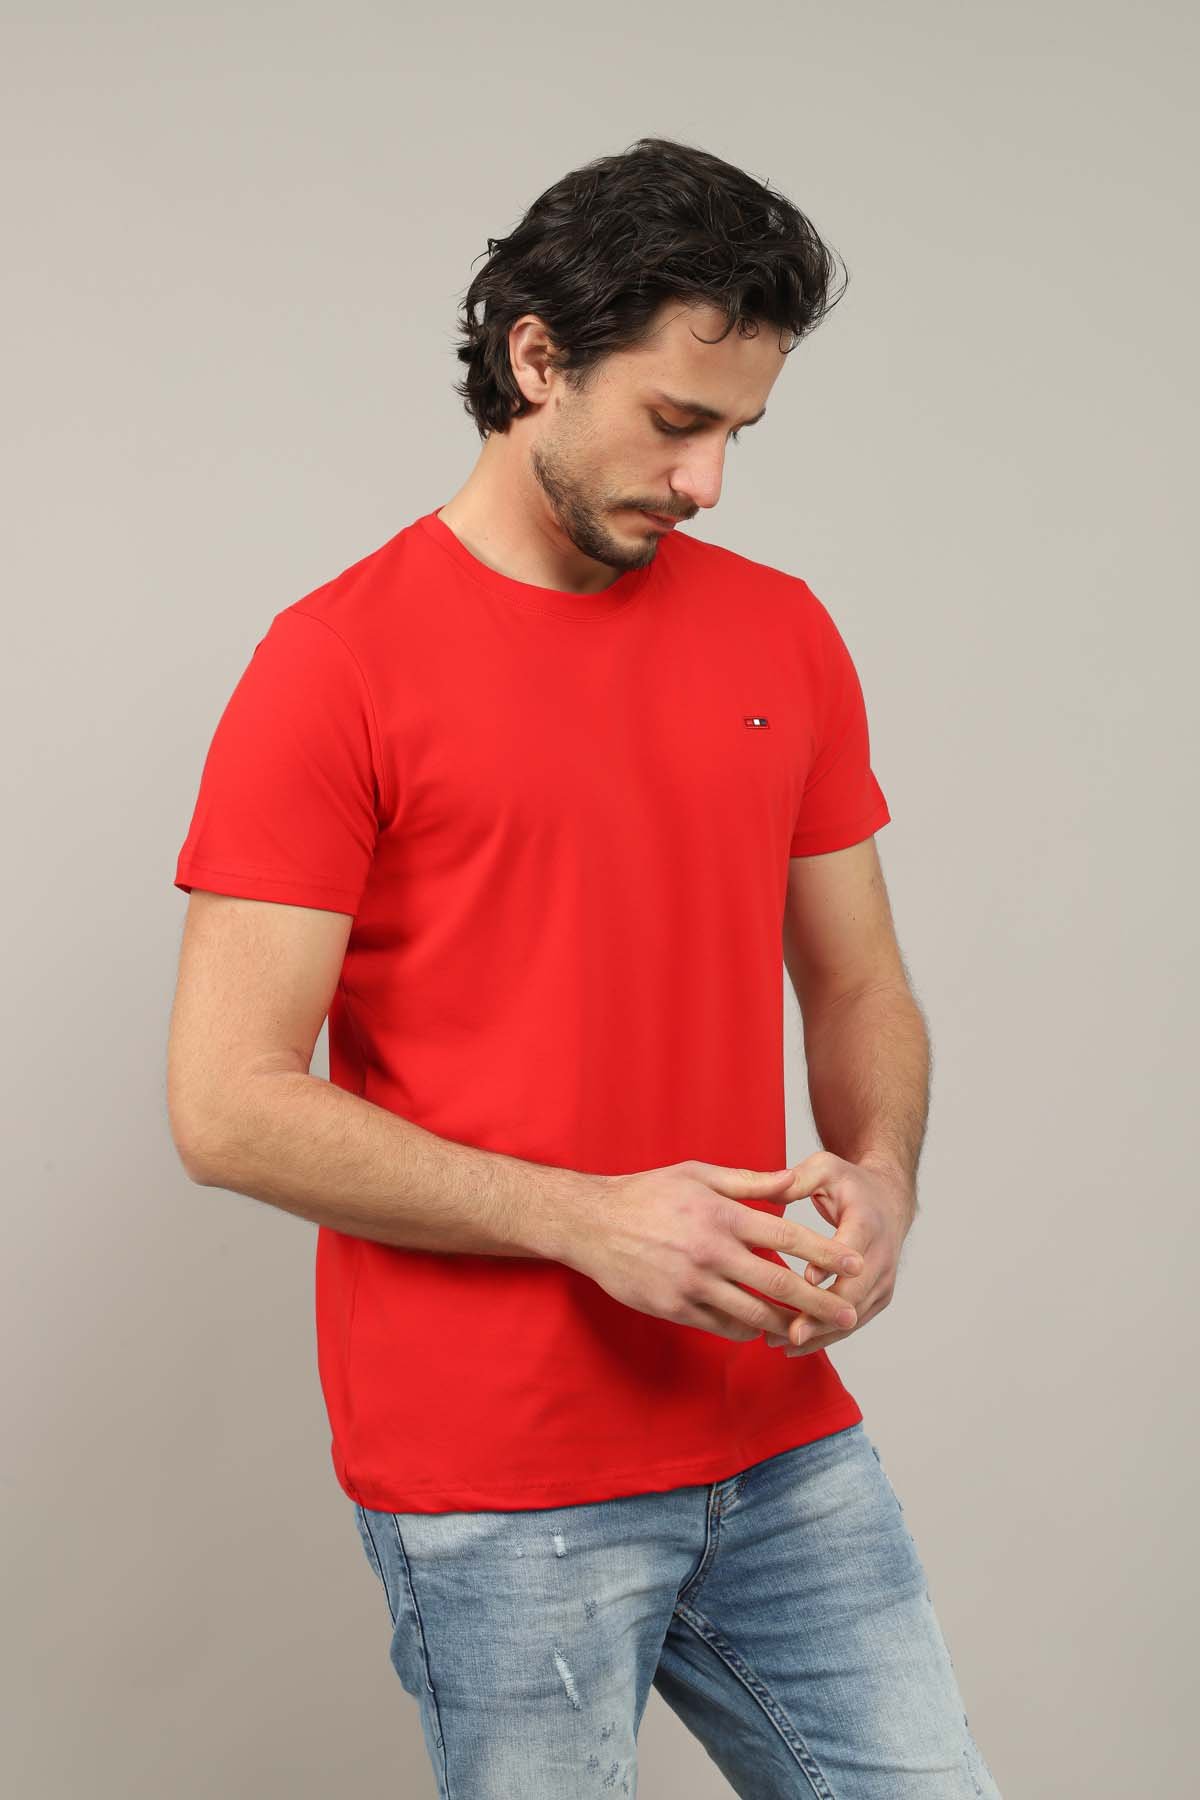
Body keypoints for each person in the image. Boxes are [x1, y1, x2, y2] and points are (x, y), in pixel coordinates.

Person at [167, 135, 1001, 1798]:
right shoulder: (335, 667)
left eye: (738, 433)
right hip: (498, 1476)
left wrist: (885, 1173)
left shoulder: (780, 631)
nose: (708, 482)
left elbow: (857, 983)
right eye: (677, 421)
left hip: (773, 1429)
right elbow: (226, 1105)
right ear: (538, 358)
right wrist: (589, 1218)